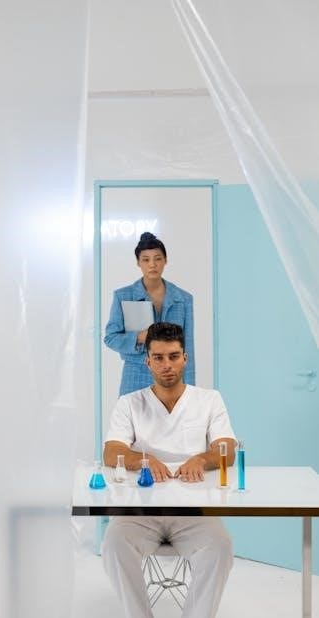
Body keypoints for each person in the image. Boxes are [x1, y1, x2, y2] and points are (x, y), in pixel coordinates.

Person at [102, 322, 236, 618]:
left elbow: (227, 449)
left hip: (194, 510)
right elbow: (111, 452)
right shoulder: (130, 403)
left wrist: (201, 459)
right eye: (159, 357)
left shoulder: (209, 400)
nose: (167, 365)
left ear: (185, 358)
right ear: (147, 361)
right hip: (139, 510)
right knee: (113, 544)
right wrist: (144, 460)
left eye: (174, 356)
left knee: (220, 546)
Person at [104, 232, 195, 396]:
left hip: (171, 377)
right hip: (135, 377)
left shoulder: (183, 299)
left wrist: (190, 390)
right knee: (132, 414)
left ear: (165, 260)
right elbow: (110, 338)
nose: (152, 264)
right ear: (138, 262)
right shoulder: (123, 296)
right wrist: (139, 337)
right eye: (146, 259)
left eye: (158, 259)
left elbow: (188, 347)